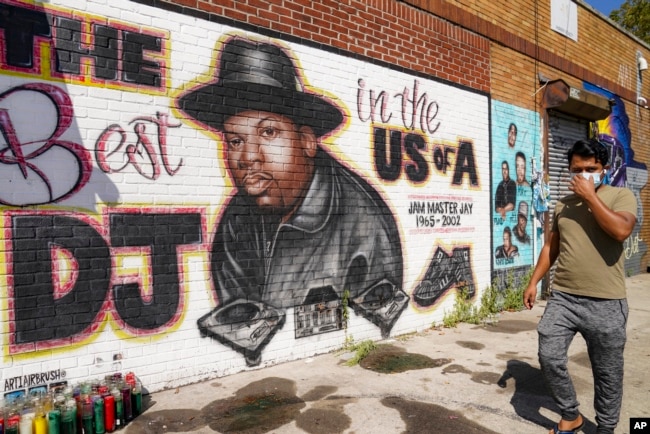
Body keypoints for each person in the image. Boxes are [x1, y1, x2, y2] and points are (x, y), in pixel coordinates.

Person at [177, 36, 406, 363]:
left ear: (307, 141)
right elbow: (239, 328)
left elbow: (375, 329)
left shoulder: (362, 223)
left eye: (268, 132)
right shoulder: (237, 220)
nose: (248, 157)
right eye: (236, 140)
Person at [523, 138, 637, 434]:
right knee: (548, 353)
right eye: (577, 170)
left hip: (606, 302)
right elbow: (552, 245)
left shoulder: (620, 196)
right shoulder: (563, 204)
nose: (584, 175)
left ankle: (606, 428)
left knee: (607, 374)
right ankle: (570, 414)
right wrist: (534, 281)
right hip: (564, 298)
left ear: (605, 169)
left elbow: (621, 230)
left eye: (591, 169)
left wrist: (590, 198)